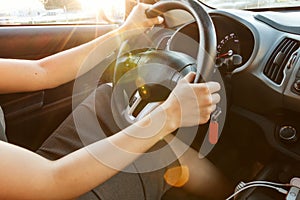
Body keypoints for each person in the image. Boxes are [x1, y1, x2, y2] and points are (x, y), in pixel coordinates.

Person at [0, 3, 233, 200]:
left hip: (24, 172)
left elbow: (43, 71)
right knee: (161, 152)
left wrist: (125, 31)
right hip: (49, 184)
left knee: (108, 99)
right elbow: (52, 180)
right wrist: (168, 116)